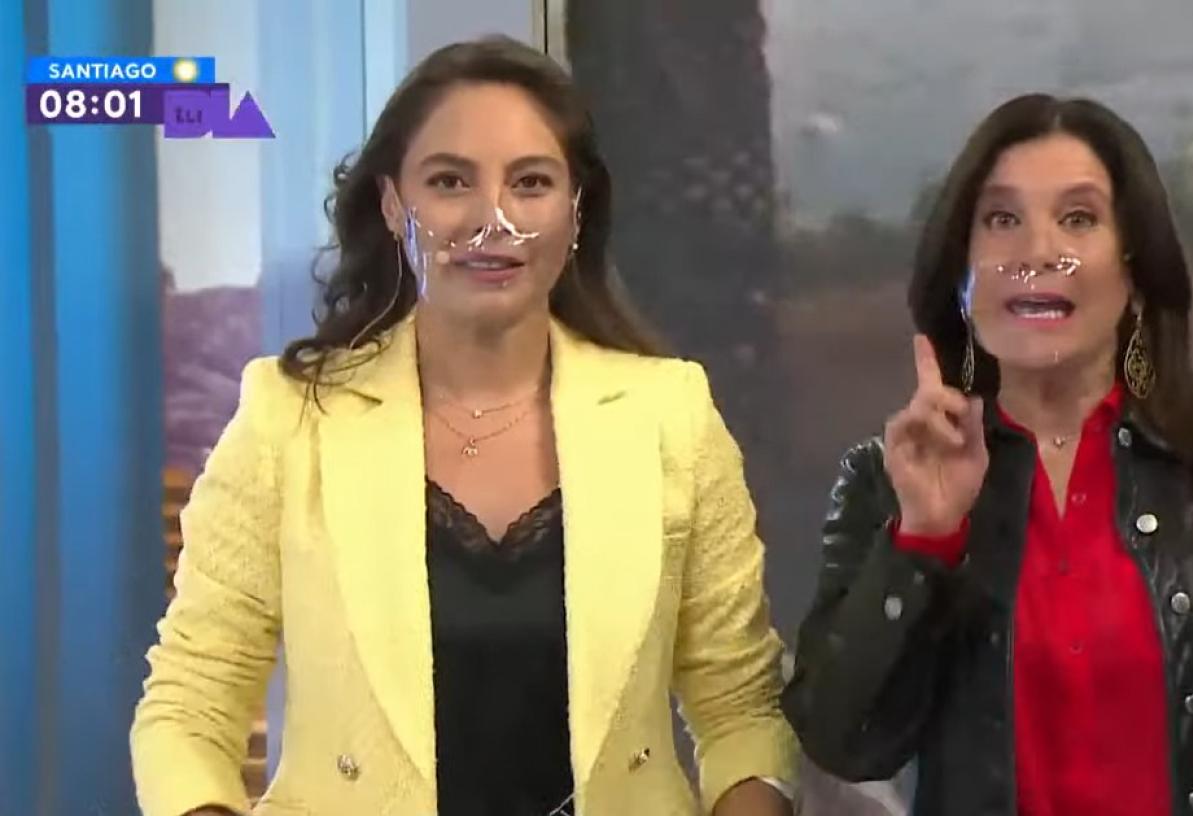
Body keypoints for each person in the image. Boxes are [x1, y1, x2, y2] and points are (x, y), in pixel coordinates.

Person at [131, 36, 797, 816]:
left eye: (531, 183)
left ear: (576, 210)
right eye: (451, 181)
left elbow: (742, 709)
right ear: (393, 205)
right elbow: (191, 702)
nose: (492, 219)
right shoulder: (291, 418)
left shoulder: (669, 415)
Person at [781, 94, 1193, 816]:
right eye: (1002, 220)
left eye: (1078, 218)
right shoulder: (887, 483)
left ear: (1133, 272)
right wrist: (923, 541)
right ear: (963, 277)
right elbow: (844, 745)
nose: (1038, 252)